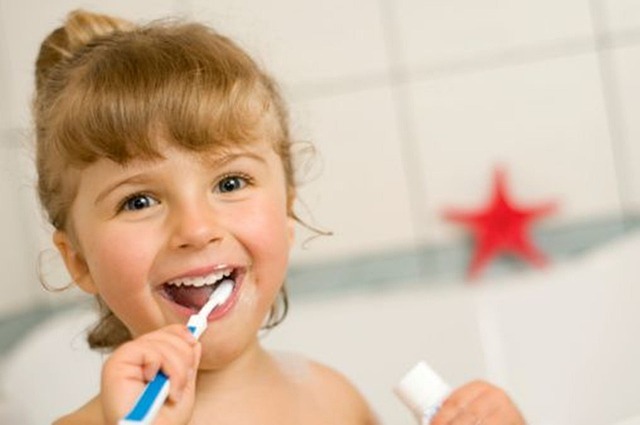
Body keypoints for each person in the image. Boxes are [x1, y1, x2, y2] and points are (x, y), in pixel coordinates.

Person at [34, 9, 525, 425]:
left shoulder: (334, 401)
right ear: (77, 259)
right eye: (139, 201)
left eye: (230, 184)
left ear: (287, 209)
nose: (197, 229)